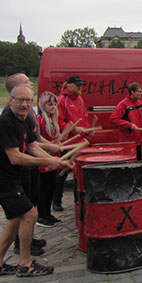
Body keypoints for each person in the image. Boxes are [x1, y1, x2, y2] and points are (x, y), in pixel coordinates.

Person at [0, 85, 69, 277]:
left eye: (28, 100)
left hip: (10, 177)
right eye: (20, 100)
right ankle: (25, 263)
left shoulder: (25, 120)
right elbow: (15, 157)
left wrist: (54, 155)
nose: (24, 104)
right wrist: (47, 161)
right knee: (30, 215)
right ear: (10, 100)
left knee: (16, 218)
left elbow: (32, 146)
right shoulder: (6, 123)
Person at [3, 73, 60, 256]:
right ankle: (21, 245)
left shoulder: (28, 111)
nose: (32, 83)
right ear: (17, 89)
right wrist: (48, 158)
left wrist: (50, 150)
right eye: (27, 81)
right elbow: (26, 146)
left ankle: (28, 237)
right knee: (25, 210)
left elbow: (34, 140)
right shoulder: (12, 114)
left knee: (32, 205)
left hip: (29, 167)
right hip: (20, 168)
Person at [54, 75, 90, 211]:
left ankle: (78, 199)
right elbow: (58, 122)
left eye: (81, 85)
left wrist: (87, 130)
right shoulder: (62, 100)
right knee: (63, 172)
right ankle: (56, 201)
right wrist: (74, 128)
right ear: (69, 85)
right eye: (77, 85)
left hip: (79, 142)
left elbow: (85, 117)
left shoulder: (80, 99)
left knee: (78, 172)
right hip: (67, 143)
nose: (80, 87)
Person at [36, 92, 62, 228]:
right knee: (44, 188)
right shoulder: (39, 118)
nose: (53, 107)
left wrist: (58, 141)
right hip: (43, 158)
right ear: (43, 105)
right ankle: (41, 215)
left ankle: (47, 213)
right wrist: (50, 145)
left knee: (52, 186)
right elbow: (37, 137)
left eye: (55, 104)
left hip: (52, 158)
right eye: (50, 104)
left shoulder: (52, 120)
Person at [109, 82, 142, 159]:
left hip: (139, 140)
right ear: (132, 92)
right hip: (128, 141)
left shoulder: (140, 103)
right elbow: (113, 119)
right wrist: (129, 125)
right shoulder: (123, 104)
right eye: (139, 91)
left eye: (141, 91)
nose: (141, 93)